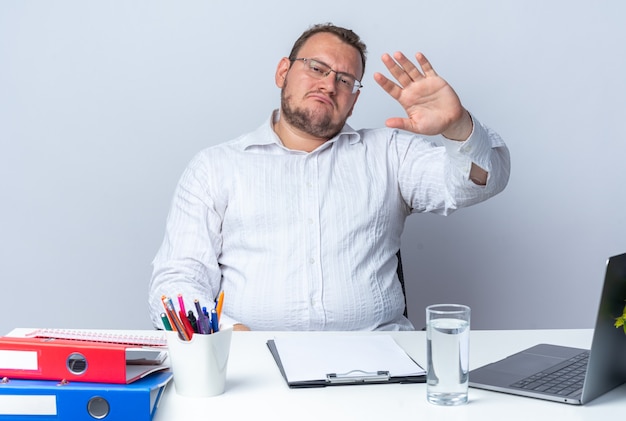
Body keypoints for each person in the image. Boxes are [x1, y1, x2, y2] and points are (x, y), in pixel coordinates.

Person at [148, 23, 510, 331]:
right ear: (282, 72)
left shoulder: (390, 153)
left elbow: (477, 183)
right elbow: (178, 280)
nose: (329, 84)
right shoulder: (215, 167)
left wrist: (458, 126)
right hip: (250, 367)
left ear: (353, 100)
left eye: (345, 79)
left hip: (380, 367)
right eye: (317, 68)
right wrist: (229, 335)